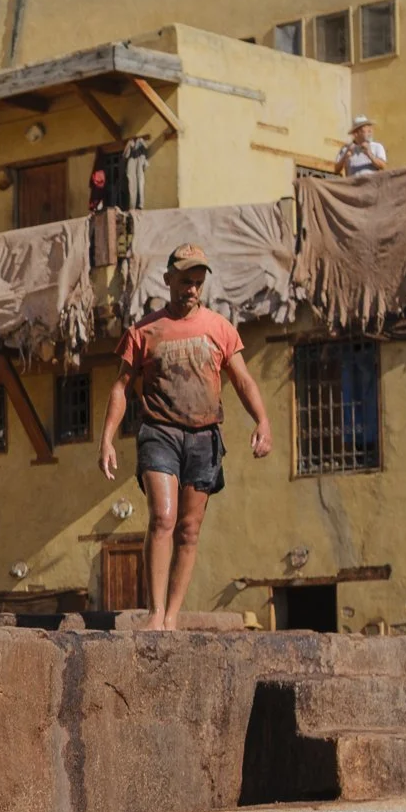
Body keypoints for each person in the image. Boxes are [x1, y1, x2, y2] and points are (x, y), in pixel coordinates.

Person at [99, 245, 272, 631]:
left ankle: (173, 616)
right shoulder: (145, 331)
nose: (191, 289)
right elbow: (120, 388)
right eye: (184, 282)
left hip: (204, 437)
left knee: (189, 529)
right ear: (168, 281)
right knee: (163, 517)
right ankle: (155, 613)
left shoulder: (220, 328)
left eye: (197, 283)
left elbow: (242, 380)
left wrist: (262, 420)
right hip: (159, 432)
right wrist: (107, 439)